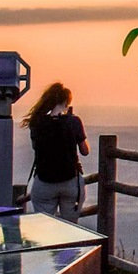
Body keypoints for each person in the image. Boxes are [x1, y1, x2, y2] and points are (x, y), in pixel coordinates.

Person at [24, 82, 89, 221]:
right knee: (70, 226)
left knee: (44, 227)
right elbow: (85, 151)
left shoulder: (37, 122)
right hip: (71, 181)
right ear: (66, 102)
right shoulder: (74, 121)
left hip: (44, 181)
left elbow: (36, 147)